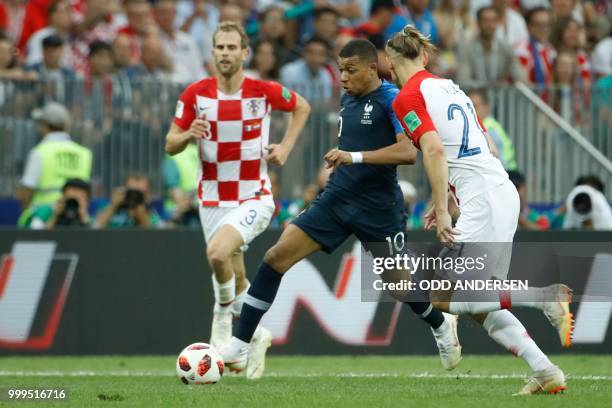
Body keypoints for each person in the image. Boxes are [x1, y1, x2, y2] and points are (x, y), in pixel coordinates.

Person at [220, 39, 462, 376]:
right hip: (336, 199)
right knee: (275, 257)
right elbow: (353, 144)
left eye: (350, 70)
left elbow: (408, 152)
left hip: (378, 207)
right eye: (340, 70)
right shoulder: (348, 99)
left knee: (397, 284)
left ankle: (439, 323)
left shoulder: (392, 99)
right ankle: (240, 344)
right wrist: (341, 159)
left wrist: (353, 157)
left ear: (371, 68)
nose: (343, 77)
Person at [380, 25, 571, 394]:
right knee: (482, 303)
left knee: (434, 293)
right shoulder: (452, 88)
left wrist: (442, 207)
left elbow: (434, 150)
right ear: (424, 56)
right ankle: (545, 371)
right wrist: (451, 200)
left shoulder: (407, 97)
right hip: (497, 191)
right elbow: (486, 150)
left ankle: (545, 297)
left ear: (389, 62)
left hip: (483, 199)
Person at [164, 21, 310, 379]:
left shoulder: (262, 90)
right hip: (212, 200)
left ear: (245, 53)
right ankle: (257, 335)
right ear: (212, 52)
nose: (226, 53)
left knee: (216, 254)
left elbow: (302, 106)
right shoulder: (195, 95)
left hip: (254, 196)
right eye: (220, 47)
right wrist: (187, 133)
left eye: (232, 47)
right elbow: (170, 144)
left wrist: (286, 147)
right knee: (237, 277)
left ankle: (221, 323)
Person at [16, 101, 92, 227]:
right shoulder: (84, 153)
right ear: (66, 125)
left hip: (43, 216)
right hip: (76, 214)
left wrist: (27, 214)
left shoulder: (40, 152)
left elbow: (26, 190)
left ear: (44, 125)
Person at [456, 6, 524, 89]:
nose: (490, 25)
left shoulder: (506, 48)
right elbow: (463, 81)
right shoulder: (466, 48)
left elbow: (519, 78)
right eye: (485, 21)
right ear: (478, 23)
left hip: (500, 97)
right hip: (475, 97)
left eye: (493, 21)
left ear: (497, 23)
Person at [468, 88, 517, 170]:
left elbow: (495, 156)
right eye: (469, 106)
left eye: (475, 106)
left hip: (506, 171)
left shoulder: (488, 128)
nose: (471, 110)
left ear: (487, 107)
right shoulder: (490, 124)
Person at [94, 173, 163, 228]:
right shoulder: (107, 209)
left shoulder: (151, 213)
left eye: (139, 194)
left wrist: (140, 213)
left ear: (147, 195)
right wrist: (113, 206)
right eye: (131, 192)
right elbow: (95, 227)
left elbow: (155, 236)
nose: (134, 196)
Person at [280, 36, 333, 103]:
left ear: (326, 57)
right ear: (304, 53)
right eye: (311, 53)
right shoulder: (290, 72)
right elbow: (285, 100)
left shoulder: (325, 75)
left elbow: (326, 103)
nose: (316, 58)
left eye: (321, 54)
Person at [27, 178, 92, 229]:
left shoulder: (88, 218)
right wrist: (54, 217)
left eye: (77, 200)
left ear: (87, 202)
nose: (73, 204)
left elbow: (96, 240)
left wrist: (84, 218)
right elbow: (34, 237)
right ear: (62, 197)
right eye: (70, 200)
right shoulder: (45, 211)